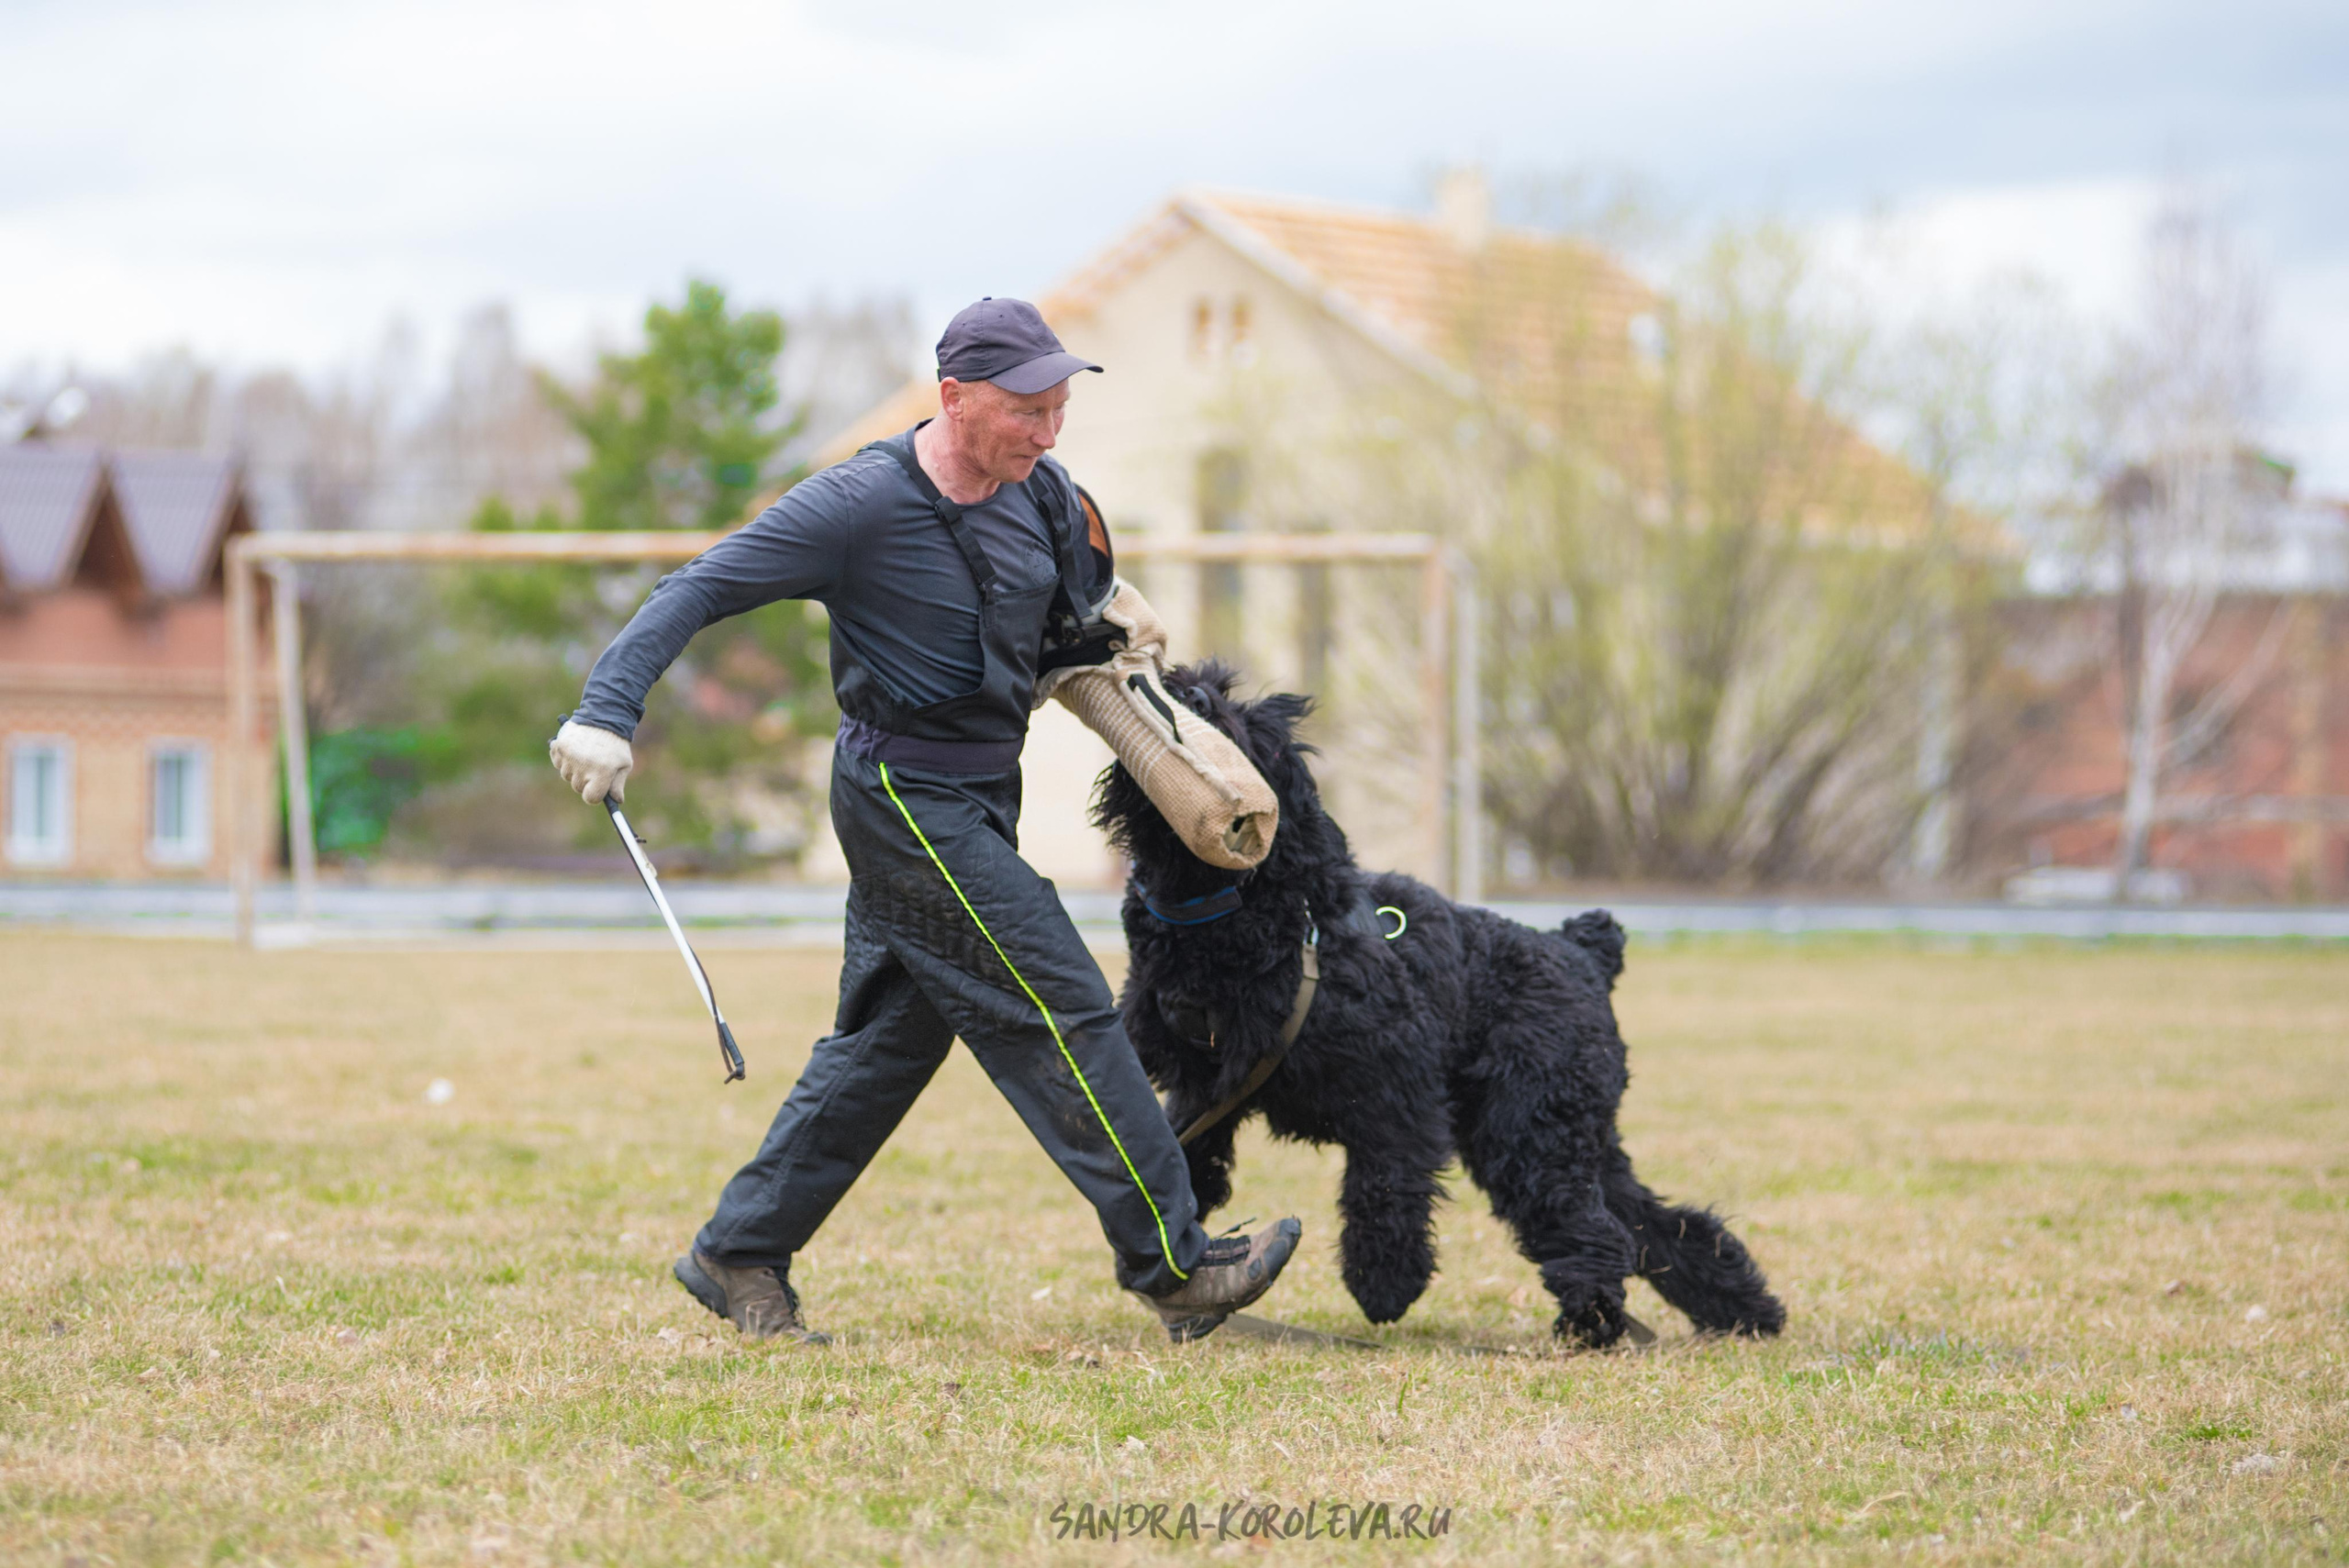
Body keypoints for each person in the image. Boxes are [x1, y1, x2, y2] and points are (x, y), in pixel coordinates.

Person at [549, 298, 1300, 1346]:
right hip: (899, 795)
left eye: (1059, 407)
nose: (1047, 432)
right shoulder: (854, 506)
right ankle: (1173, 1262)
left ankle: (739, 1248)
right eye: (1025, 410)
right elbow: (700, 586)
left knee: (888, 1043)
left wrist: (1130, 662)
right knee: (1062, 997)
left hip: (986, 787)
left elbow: (1070, 622)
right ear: (954, 399)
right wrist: (604, 709)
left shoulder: (1040, 495)